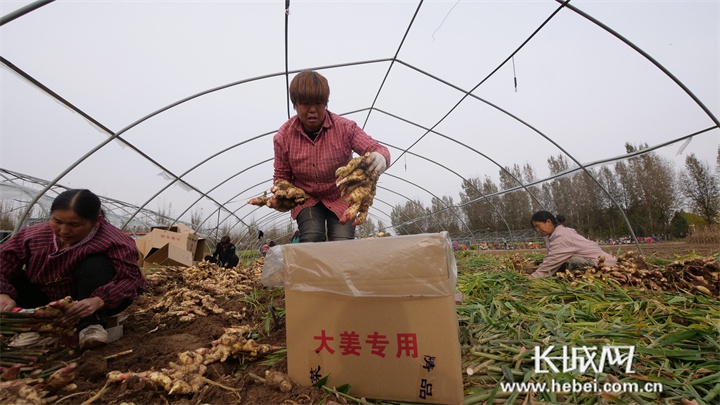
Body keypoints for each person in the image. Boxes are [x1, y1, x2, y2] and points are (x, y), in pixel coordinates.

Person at [0, 189, 147, 350]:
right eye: (57, 221)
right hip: (43, 299)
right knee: (14, 276)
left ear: (97, 221)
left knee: (96, 264)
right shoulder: (32, 236)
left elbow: (130, 278)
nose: (64, 231)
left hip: (91, 302)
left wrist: (98, 300)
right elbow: (3, 261)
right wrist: (3, 293)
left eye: (74, 225)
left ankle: (90, 326)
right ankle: (34, 325)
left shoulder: (114, 241)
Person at [273, 70, 391, 243]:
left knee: (342, 241)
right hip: (307, 197)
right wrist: (281, 197)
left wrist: (381, 157)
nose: (312, 110)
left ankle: (341, 270)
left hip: (341, 195)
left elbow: (377, 148)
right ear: (295, 104)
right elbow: (281, 177)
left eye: (319, 103)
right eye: (305, 104)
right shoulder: (283, 137)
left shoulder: (345, 129)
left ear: (326, 103)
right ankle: (313, 270)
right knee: (312, 236)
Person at [528, 211, 617, 278]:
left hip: (601, 264)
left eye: (538, 226)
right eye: (535, 228)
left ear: (548, 222)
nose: (537, 230)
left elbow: (552, 260)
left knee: (572, 262)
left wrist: (533, 277)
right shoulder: (552, 236)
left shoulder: (562, 235)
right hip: (590, 261)